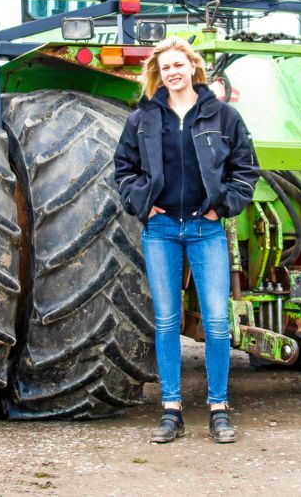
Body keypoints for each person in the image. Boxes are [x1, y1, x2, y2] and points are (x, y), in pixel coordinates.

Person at [113, 36, 259, 444]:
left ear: (193, 67)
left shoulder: (223, 116)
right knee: (166, 322)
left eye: (179, 65)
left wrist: (222, 206)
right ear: (157, 74)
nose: (172, 72)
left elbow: (246, 169)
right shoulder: (142, 118)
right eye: (165, 68)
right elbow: (123, 168)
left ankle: (218, 410)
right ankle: (171, 411)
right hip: (160, 231)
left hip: (205, 229)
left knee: (216, 322)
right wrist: (142, 204)